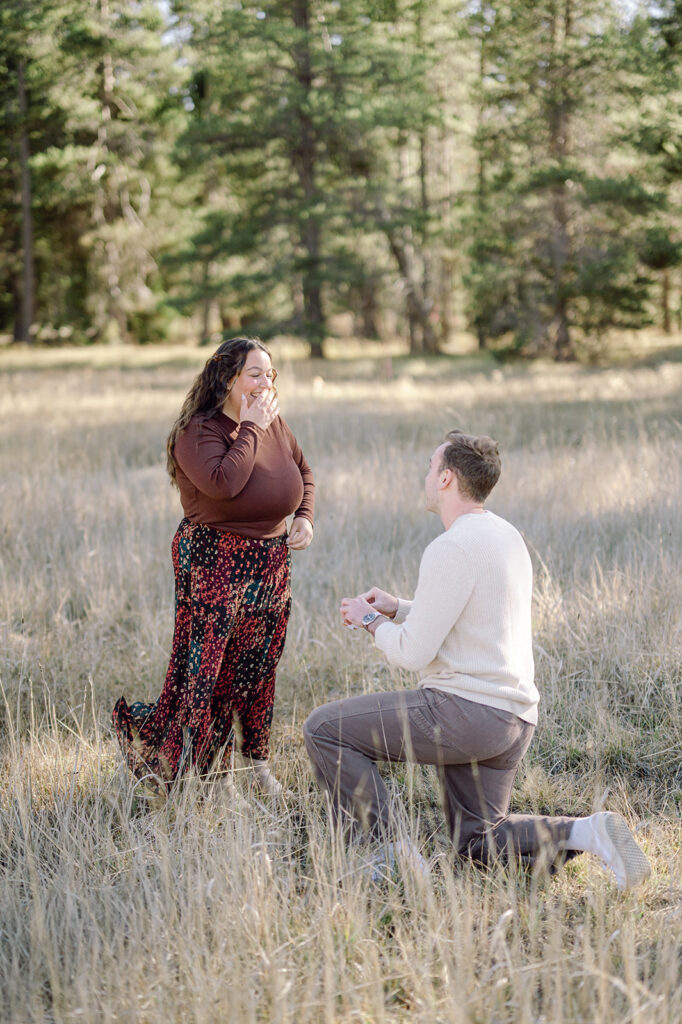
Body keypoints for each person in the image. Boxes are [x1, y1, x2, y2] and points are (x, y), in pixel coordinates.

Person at [303, 430, 651, 890]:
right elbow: (471, 620)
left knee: (325, 729)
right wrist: (398, 608)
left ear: (447, 478)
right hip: (513, 720)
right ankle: (587, 831)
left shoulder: (450, 547)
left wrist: (369, 620)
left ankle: (390, 855)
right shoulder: (504, 535)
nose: (426, 475)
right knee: (476, 842)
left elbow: (412, 652)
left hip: (463, 714)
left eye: (431, 467)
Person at [114, 336, 314, 796]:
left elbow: (304, 472)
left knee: (261, 666)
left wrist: (304, 517)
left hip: (271, 562)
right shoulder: (198, 432)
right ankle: (209, 773)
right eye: (255, 374)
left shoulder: (274, 422)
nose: (267, 383)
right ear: (228, 379)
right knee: (210, 671)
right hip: (214, 560)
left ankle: (257, 764)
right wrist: (249, 428)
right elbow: (224, 484)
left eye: (271, 374)